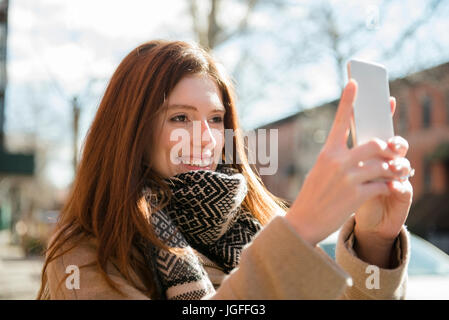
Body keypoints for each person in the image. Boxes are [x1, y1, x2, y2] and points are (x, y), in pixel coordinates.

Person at [37, 40, 413, 300]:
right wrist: (296, 234)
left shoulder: (258, 225)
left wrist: (376, 241)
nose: (204, 138)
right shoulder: (89, 249)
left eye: (216, 119)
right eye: (180, 117)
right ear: (131, 131)